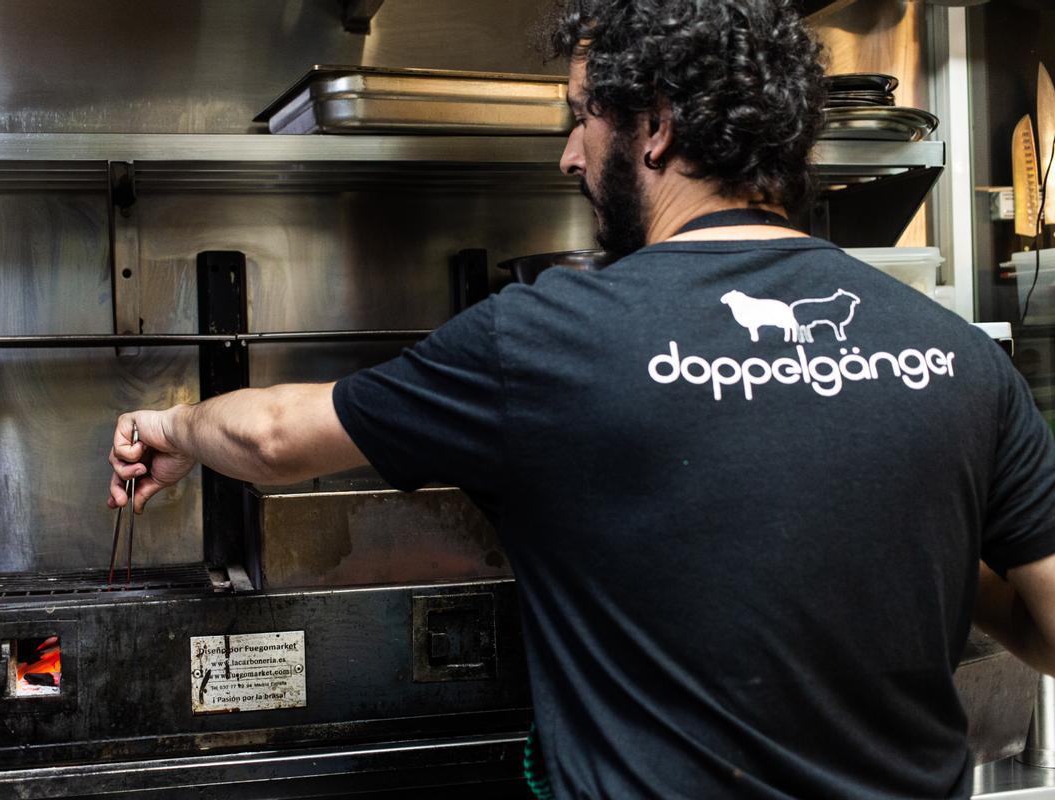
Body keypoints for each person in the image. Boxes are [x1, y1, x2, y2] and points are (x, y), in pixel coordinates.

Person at [107, 1, 1055, 797]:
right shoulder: (960, 356)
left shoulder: (545, 337)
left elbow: (275, 436)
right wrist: (911, 528)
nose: (568, 156)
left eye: (580, 118)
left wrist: (175, 424)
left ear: (654, 125)